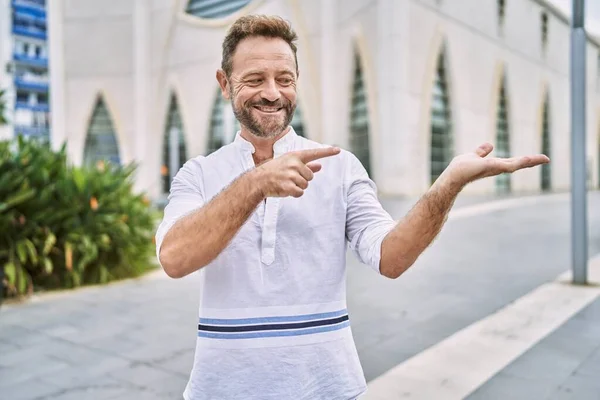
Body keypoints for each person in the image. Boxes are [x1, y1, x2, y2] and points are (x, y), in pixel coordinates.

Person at [155, 14, 549, 400]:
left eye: (285, 79)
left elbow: (390, 258)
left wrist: (448, 184)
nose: (273, 92)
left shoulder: (340, 167)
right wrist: (256, 183)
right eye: (255, 79)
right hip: (221, 389)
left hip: (328, 388)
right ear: (225, 84)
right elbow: (175, 258)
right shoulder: (199, 174)